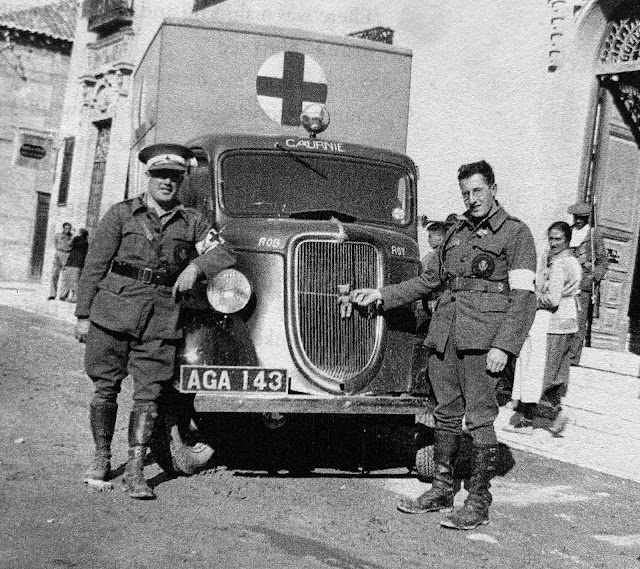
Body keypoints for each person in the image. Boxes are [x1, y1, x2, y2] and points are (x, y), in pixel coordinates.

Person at [348, 160, 537, 530]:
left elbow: (524, 297)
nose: (472, 199)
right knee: (446, 414)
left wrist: (505, 346)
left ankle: (478, 502)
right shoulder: (457, 232)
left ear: (493, 187)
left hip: (484, 342)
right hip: (446, 336)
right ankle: (441, 491)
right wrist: (382, 294)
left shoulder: (516, 234)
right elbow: (428, 281)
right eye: (466, 193)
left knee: (480, 418)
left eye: (478, 190)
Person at [73, 143, 236, 500]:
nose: (167, 183)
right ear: (149, 177)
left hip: (161, 320)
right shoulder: (121, 215)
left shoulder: (193, 222)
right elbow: (94, 266)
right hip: (111, 314)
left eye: (174, 177)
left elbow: (224, 252)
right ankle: (101, 457)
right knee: (105, 389)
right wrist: (83, 315)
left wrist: (196, 266)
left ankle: (134, 472)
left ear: (181, 182)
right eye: (160, 175)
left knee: (148, 397)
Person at [507, 222, 582, 436]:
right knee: (556, 374)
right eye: (551, 238)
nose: (553, 243)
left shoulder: (559, 264)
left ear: (567, 239)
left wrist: (531, 298)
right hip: (569, 322)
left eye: (558, 239)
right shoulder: (573, 261)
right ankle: (556, 413)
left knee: (539, 372)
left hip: (554, 323)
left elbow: (552, 299)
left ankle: (528, 421)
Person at [567, 201, 607, 365]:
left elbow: (603, 262)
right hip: (566, 281)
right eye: (576, 217)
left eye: (581, 218)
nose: (578, 221)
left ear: (587, 217)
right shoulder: (568, 232)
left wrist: (593, 276)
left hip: (583, 285)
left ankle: (573, 357)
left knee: (578, 321)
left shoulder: (593, 235)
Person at [59, 228, 89, 302]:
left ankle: (72, 297)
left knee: (72, 280)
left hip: (74, 263)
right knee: (72, 280)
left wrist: (74, 236)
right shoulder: (83, 241)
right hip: (75, 263)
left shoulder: (80, 241)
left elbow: (69, 244)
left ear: (81, 234)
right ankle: (68, 296)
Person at [48, 222, 73, 300]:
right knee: (54, 274)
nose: (67, 230)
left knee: (65, 276)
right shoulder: (58, 235)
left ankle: (63, 295)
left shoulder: (72, 237)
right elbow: (55, 243)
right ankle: (53, 294)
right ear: (63, 228)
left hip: (67, 254)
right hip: (58, 253)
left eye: (69, 228)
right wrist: (58, 251)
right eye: (66, 228)